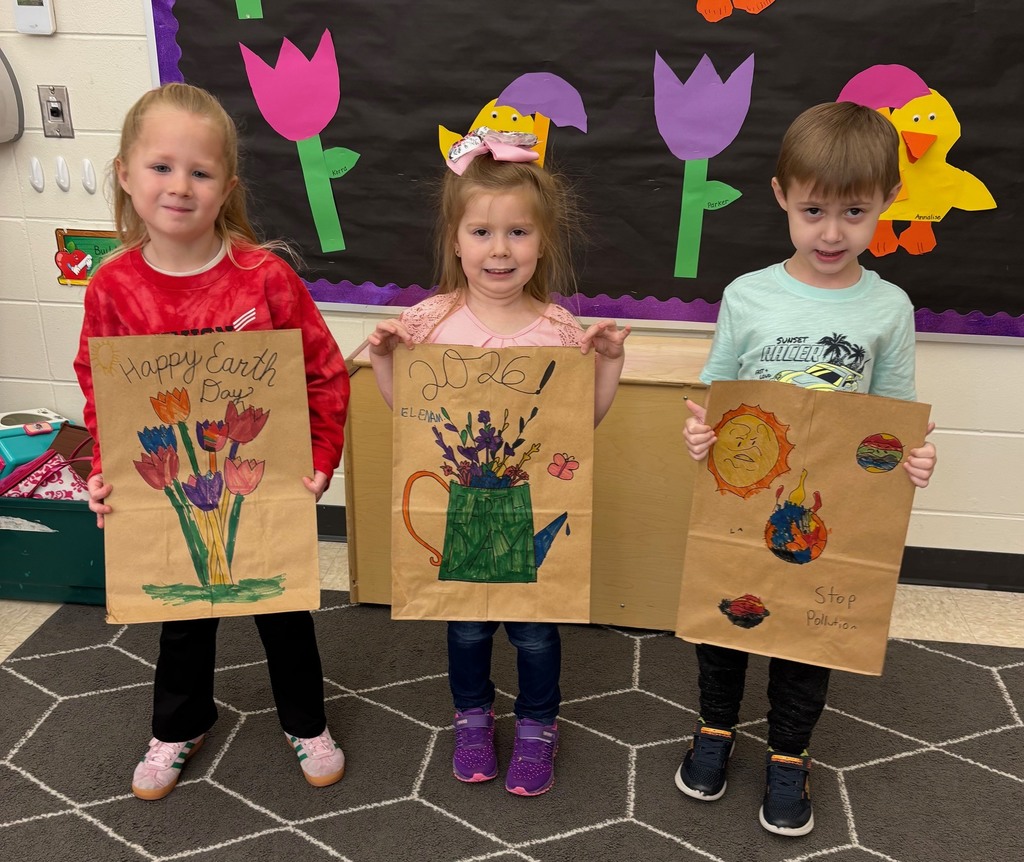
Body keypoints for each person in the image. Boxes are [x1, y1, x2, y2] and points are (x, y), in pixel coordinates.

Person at [73, 83, 350, 800]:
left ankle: (305, 719)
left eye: (199, 172)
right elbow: (104, 392)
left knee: (283, 607)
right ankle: (179, 724)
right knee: (182, 616)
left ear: (226, 188)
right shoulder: (112, 289)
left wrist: (319, 461)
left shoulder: (265, 278)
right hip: (173, 484)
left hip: (257, 473)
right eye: (161, 167)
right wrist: (107, 474)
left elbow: (322, 373)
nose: (179, 186)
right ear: (126, 175)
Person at [678, 102, 937, 836]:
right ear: (781, 197)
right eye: (813, 208)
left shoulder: (888, 307)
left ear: (886, 203)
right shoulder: (748, 294)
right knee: (727, 614)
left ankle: (790, 754)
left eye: (854, 211)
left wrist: (912, 457)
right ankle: (716, 728)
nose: (831, 231)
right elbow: (715, 395)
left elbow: (888, 420)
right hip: (744, 492)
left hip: (829, 504)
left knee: (809, 628)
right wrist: (699, 435)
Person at [368, 130, 630, 796]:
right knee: (467, 622)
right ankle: (473, 717)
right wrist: (381, 360)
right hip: (464, 504)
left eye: (517, 233)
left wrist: (608, 367)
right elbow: (412, 421)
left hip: (523, 505)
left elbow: (582, 425)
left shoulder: (560, 329)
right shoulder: (427, 322)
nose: (499, 249)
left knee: (536, 629)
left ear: (541, 243)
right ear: (456, 240)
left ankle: (539, 724)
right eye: (482, 232)